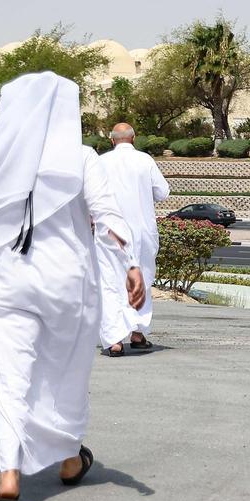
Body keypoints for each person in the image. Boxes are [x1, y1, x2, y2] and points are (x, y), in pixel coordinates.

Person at [0, 72, 144, 501]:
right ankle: (67, 460)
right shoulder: (82, 157)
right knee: (64, 375)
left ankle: (9, 477)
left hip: (7, 282)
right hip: (67, 286)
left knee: (8, 381)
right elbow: (108, 216)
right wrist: (132, 262)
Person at [98, 122, 171, 355]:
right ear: (134, 138)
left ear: (111, 140)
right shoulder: (145, 160)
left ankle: (114, 340)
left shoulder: (101, 162)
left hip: (111, 232)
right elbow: (162, 192)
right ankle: (138, 333)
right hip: (142, 232)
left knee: (110, 282)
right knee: (143, 279)